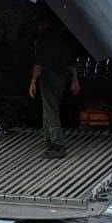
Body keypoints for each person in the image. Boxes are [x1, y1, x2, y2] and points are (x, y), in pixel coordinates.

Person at [29, 16, 81, 156]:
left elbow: (38, 64)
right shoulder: (63, 40)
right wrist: (75, 80)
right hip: (61, 78)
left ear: (43, 26)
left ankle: (58, 145)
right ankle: (49, 142)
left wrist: (33, 81)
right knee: (49, 109)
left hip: (48, 77)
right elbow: (72, 62)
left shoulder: (43, 41)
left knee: (51, 110)